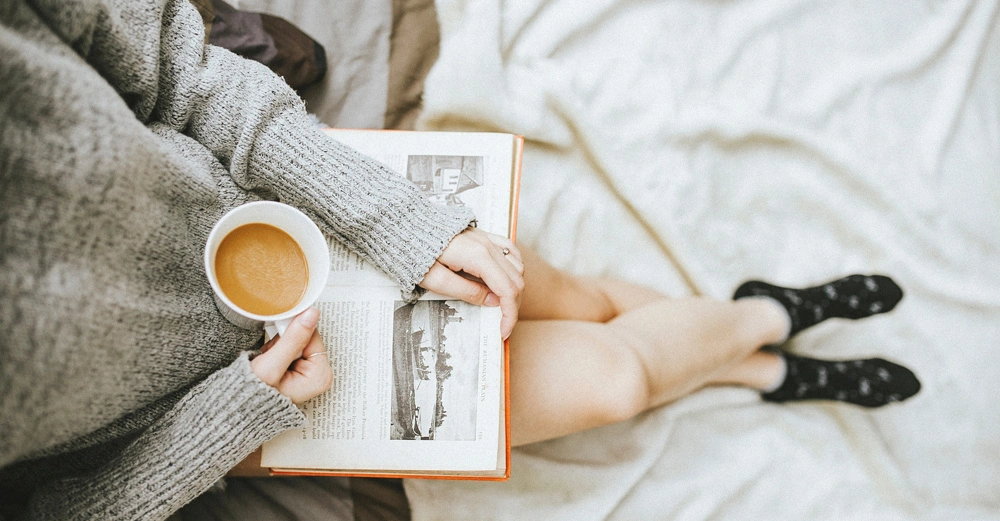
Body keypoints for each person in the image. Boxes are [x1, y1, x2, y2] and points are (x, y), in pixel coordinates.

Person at [0, 0, 521, 519]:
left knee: (508, 278)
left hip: (281, 199)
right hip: (197, 419)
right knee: (590, 374)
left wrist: (392, 216)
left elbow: (171, 59)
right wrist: (221, 426)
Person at [506, 248, 920, 446]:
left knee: (578, 304)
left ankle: (770, 365)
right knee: (619, 379)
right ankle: (771, 319)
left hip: (445, 254)